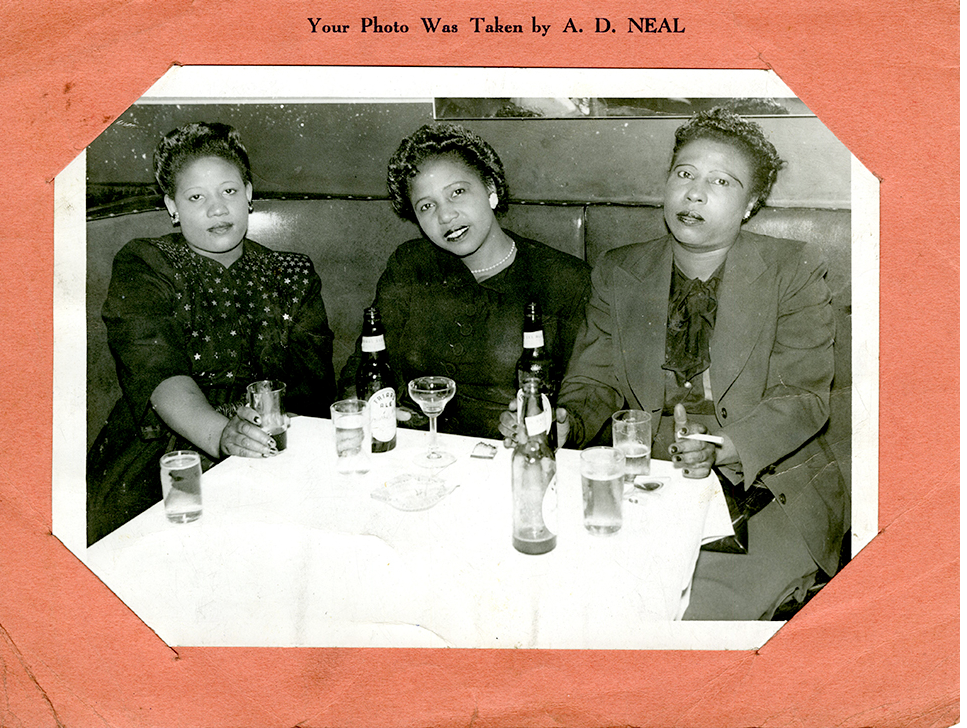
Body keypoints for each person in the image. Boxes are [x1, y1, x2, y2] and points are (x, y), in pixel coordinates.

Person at [557, 106, 848, 621]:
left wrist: (727, 447)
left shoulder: (793, 268)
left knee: (698, 613)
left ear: (751, 203)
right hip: (648, 479)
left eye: (722, 181)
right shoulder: (619, 268)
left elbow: (802, 399)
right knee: (596, 599)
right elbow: (593, 378)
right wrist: (566, 421)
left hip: (763, 481)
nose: (695, 193)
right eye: (685, 174)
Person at [87, 122, 335, 544]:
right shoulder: (145, 263)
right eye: (196, 197)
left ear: (249, 194)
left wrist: (269, 436)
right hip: (165, 450)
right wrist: (220, 436)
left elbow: (312, 388)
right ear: (173, 206)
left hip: (268, 443)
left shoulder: (292, 274)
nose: (217, 209)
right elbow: (155, 368)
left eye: (229, 192)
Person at [339, 122, 591, 439]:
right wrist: (360, 404)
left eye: (457, 192)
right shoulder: (410, 265)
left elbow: (583, 394)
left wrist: (556, 424)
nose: (445, 216)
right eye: (426, 206)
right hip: (416, 452)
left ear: (490, 189)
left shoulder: (564, 278)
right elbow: (365, 363)